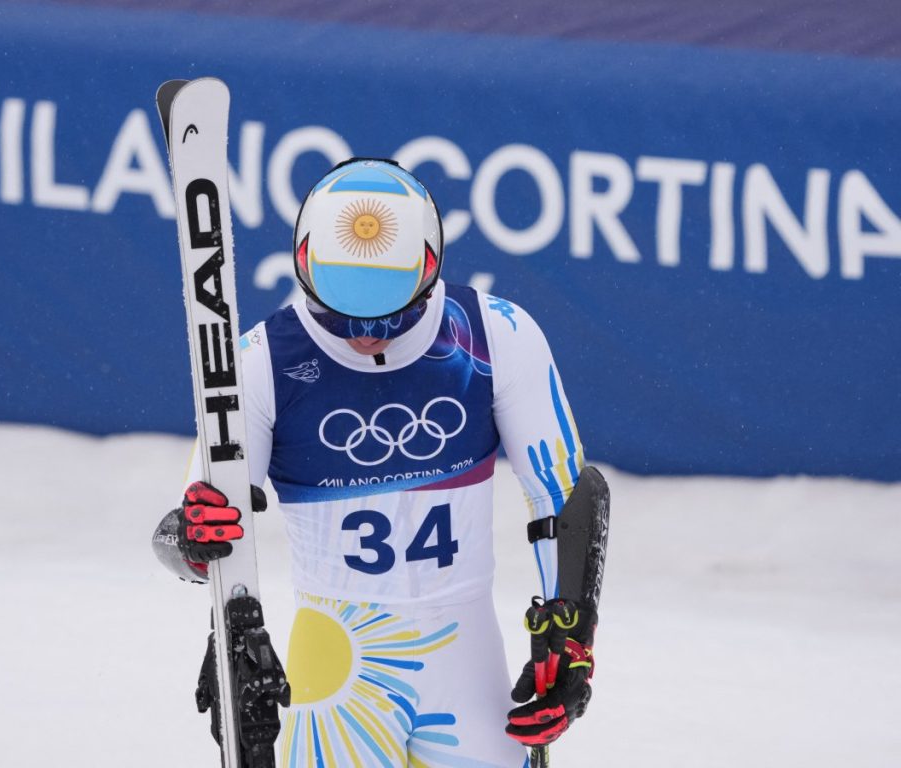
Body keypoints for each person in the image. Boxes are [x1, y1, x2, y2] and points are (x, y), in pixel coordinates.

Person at [153, 158, 600, 766]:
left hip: (466, 657)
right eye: (340, 316)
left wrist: (572, 639)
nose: (366, 336)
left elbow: (565, 497)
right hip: (339, 665)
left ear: (430, 272)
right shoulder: (260, 363)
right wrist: (192, 541)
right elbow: (185, 538)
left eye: (393, 315)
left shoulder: (495, 335)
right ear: (304, 269)